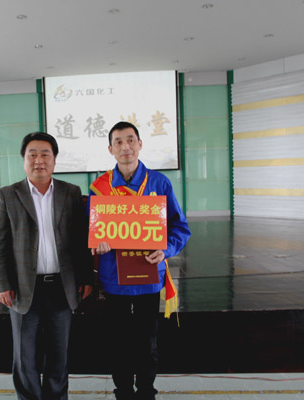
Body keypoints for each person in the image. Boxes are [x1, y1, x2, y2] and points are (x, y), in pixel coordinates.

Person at [90, 121, 191, 400]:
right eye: (119, 142)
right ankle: (122, 392)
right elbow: (90, 231)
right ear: (110, 149)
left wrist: (166, 249)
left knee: (148, 342)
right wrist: (97, 243)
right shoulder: (100, 188)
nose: (126, 147)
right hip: (114, 279)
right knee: (118, 342)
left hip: (148, 277)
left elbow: (180, 227)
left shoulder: (159, 183)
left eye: (131, 140)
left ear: (140, 144)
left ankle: (147, 392)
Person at [0, 132, 93, 400]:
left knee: (59, 356)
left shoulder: (71, 193)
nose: (39, 160)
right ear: (23, 160)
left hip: (62, 287)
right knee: (25, 356)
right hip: (24, 288)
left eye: (45, 154)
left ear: (54, 160)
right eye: (32, 154)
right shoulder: (7, 195)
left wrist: (86, 278)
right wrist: (2, 284)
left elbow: (81, 241)